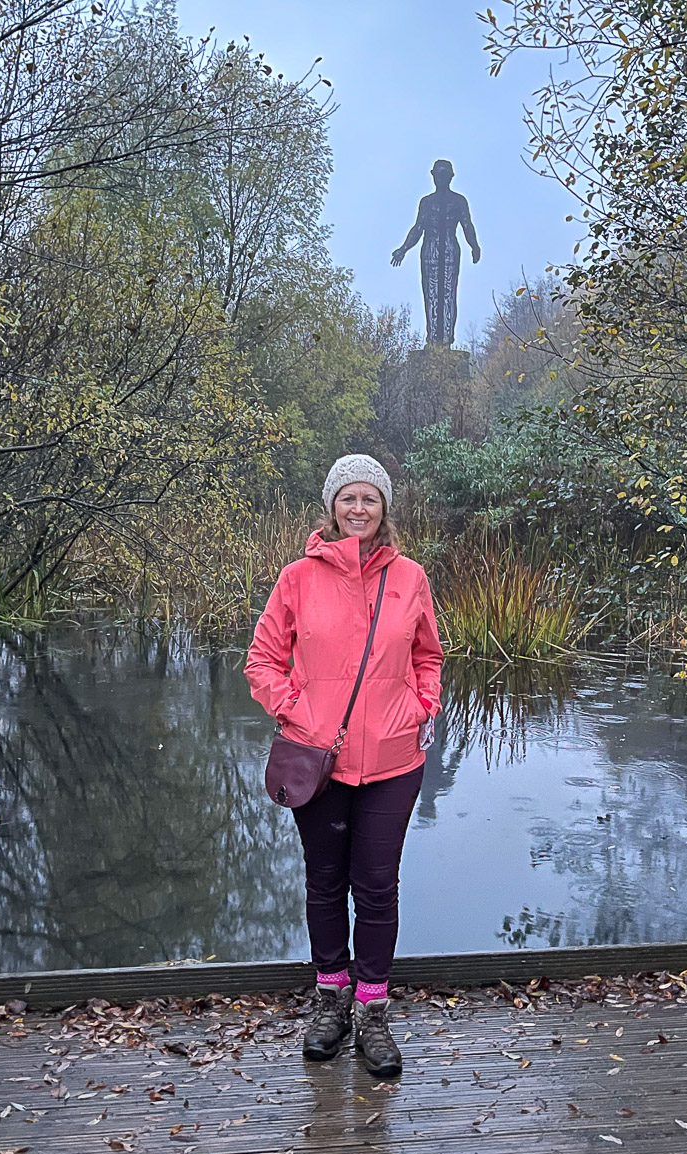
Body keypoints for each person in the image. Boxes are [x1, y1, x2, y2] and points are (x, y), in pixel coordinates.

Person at [245, 454, 443, 1077]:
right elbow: (262, 661)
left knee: (377, 888)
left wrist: (418, 707)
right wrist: (296, 711)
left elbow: (428, 657)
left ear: (385, 509)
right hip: (318, 762)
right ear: (331, 506)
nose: (358, 509)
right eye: (347, 498)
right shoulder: (297, 578)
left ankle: (373, 1010)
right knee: (325, 883)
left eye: (371, 499)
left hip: (392, 760)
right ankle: (331, 998)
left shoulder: (410, 578)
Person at [391, 158, 480, 345]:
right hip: (430, 247)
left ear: (451, 177)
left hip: (449, 247)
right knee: (430, 293)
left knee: (448, 292)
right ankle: (432, 337)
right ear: (433, 175)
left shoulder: (458, 201)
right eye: (438, 174)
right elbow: (418, 228)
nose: (441, 178)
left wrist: (474, 245)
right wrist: (404, 249)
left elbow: (467, 225)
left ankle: (447, 338)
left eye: (444, 174)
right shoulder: (427, 202)